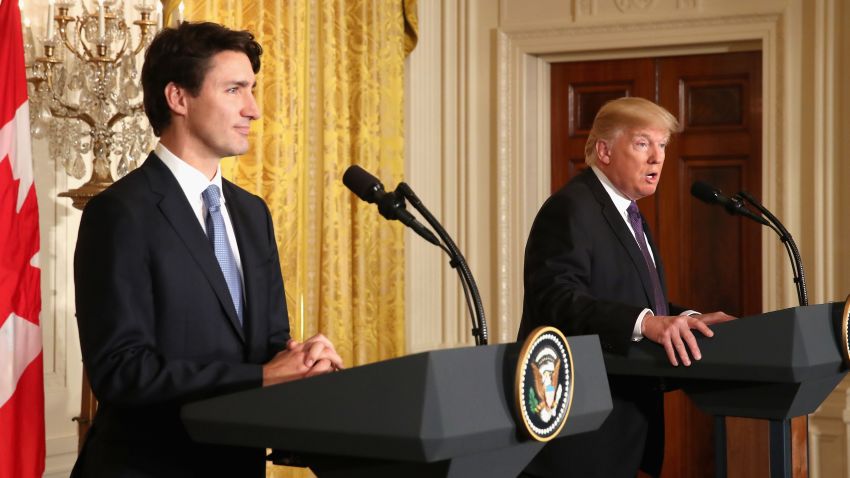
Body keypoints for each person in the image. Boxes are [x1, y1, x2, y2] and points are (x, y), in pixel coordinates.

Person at [71, 22, 343, 477]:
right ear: (179, 98)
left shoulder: (253, 214)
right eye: (234, 90)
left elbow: (268, 347)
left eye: (251, 90)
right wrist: (262, 376)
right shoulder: (119, 213)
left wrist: (303, 363)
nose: (254, 110)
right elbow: (121, 372)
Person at [517, 97, 734, 478]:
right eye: (642, 143)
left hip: (622, 426)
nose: (657, 158)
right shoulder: (570, 208)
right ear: (603, 150)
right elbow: (556, 300)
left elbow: (631, 298)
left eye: (663, 145)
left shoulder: (627, 212)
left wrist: (687, 318)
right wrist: (646, 323)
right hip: (580, 431)